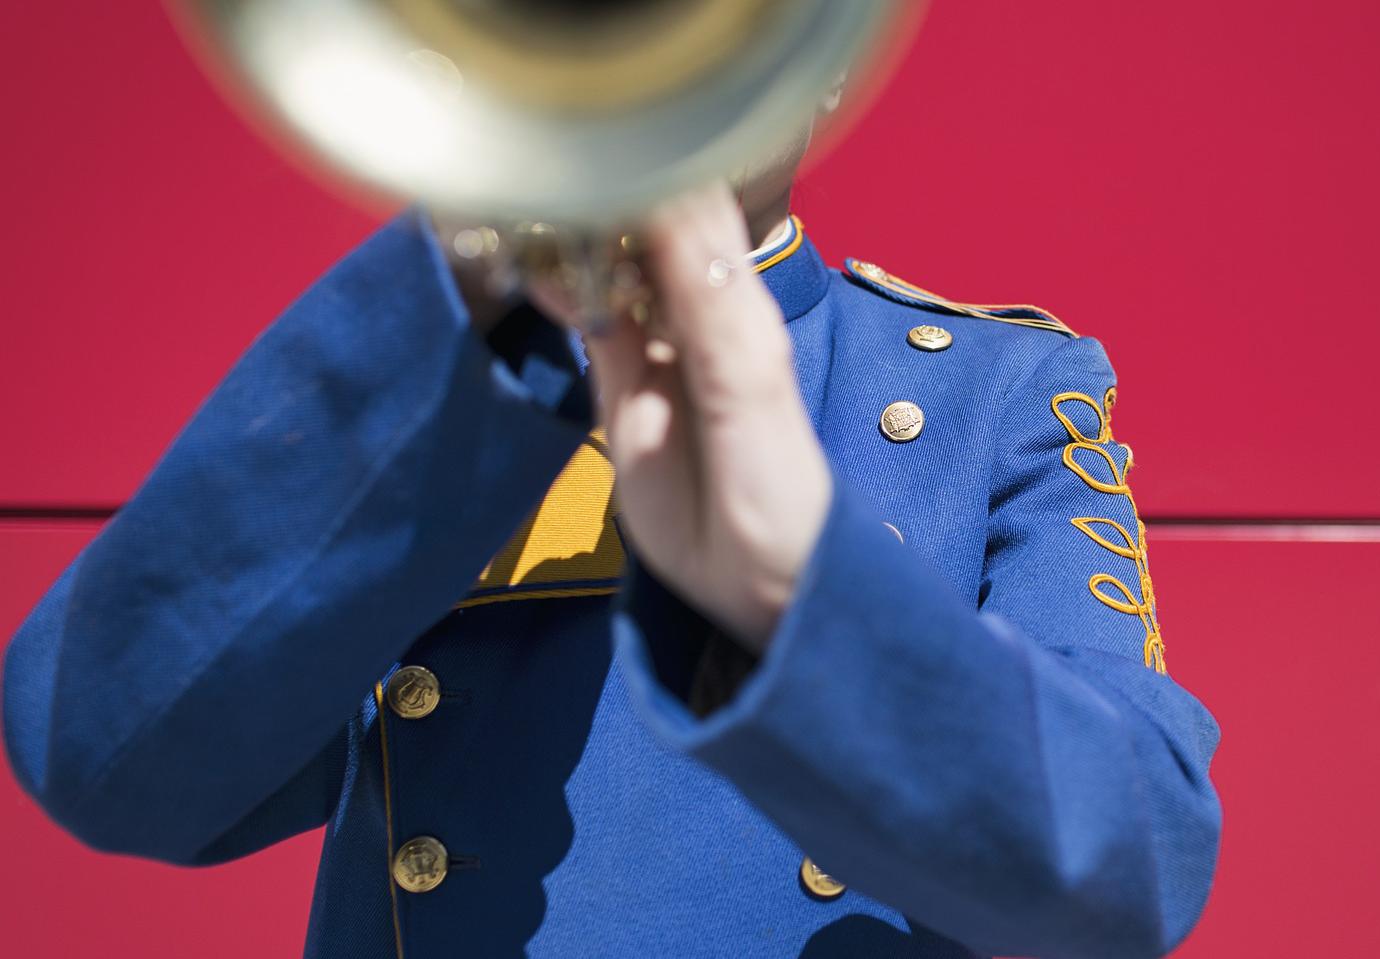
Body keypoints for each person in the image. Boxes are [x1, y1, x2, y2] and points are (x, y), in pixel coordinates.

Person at [2, 87, 1223, 959]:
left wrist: (794, 592)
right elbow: (106, 759)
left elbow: (1133, 864)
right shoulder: (414, 389)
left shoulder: (991, 391)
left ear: (823, 63)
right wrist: (478, 281)